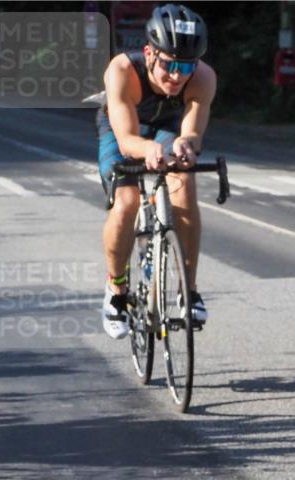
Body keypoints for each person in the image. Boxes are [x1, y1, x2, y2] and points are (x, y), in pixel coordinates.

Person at [97, 3, 216, 339]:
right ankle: (117, 291)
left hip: (167, 128)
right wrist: (148, 149)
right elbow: (126, 139)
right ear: (149, 53)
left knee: (184, 185)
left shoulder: (203, 77)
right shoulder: (122, 69)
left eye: (186, 66)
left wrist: (185, 146)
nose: (177, 76)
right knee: (127, 202)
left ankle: (188, 290)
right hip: (122, 130)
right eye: (169, 65)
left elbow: (192, 133)